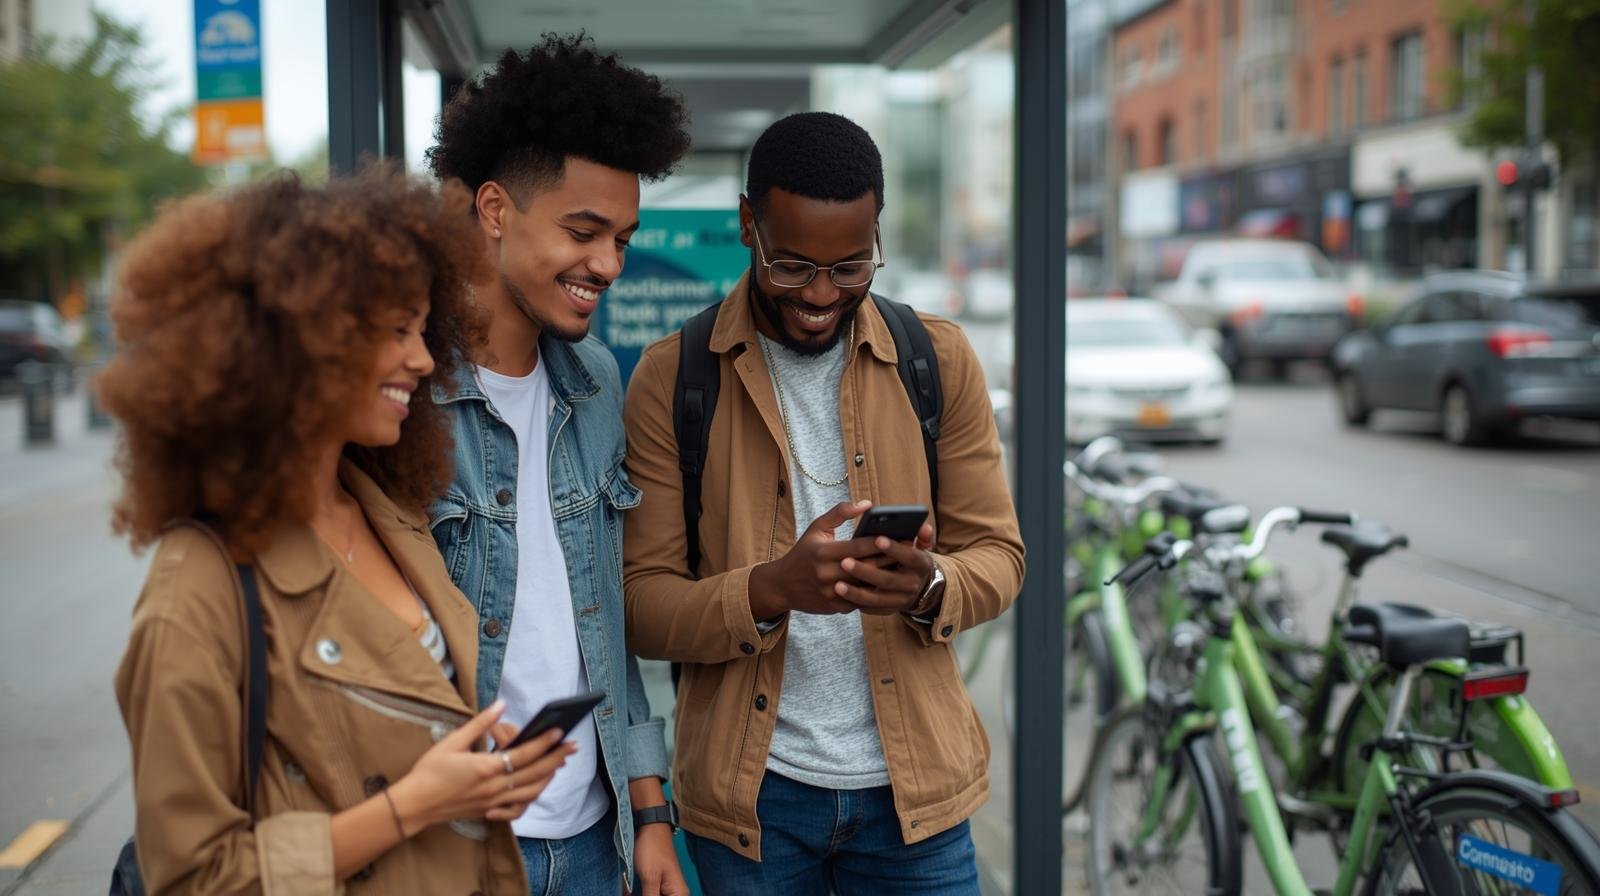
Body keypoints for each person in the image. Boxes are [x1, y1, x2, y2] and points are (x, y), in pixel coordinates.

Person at [106, 167, 572, 894]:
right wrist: (415, 804)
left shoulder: (391, 513)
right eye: (396, 330)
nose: (424, 359)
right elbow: (195, 876)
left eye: (423, 329)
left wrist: (474, 771)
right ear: (299, 344)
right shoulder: (195, 591)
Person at [621, 111, 1026, 894]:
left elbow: (1001, 557)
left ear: (877, 234)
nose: (819, 294)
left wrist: (931, 584)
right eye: (793, 266)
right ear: (749, 225)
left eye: (850, 267)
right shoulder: (673, 377)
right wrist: (772, 589)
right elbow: (641, 605)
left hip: (917, 798)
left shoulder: (936, 358)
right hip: (754, 802)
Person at [424, 33, 691, 896]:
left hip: (594, 841)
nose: (608, 265)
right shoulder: (403, 395)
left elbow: (601, 623)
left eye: (623, 239)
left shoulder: (598, 382)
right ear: (495, 209)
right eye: (584, 232)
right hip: (459, 846)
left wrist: (650, 812)